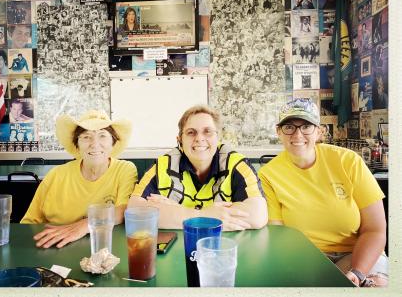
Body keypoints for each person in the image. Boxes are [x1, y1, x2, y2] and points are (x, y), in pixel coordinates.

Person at [258, 98, 388, 287]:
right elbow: (278, 235)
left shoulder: (348, 161)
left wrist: (358, 273)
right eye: (289, 127)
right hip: (307, 259)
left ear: (319, 131)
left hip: (359, 255)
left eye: (306, 126)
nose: (297, 134)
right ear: (279, 132)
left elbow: (375, 229)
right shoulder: (268, 174)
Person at [128, 105, 268, 231]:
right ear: (179, 141)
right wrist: (203, 215)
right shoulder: (162, 165)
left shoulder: (236, 164)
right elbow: (134, 210)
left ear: (218, 138)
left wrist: (175, 210)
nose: (199, 138)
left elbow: (258, 215)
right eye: (191, 132)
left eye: (208, 131)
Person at [21, 110, 138, 248]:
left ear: (113, 142)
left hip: (104, 249)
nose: (94, 144)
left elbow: (123, 210)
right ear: (77, 144)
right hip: (52, 248)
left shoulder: (125, 170)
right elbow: (28, 225)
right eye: (86, 137)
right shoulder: (55, 175)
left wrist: (85, 224)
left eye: (102, 135)